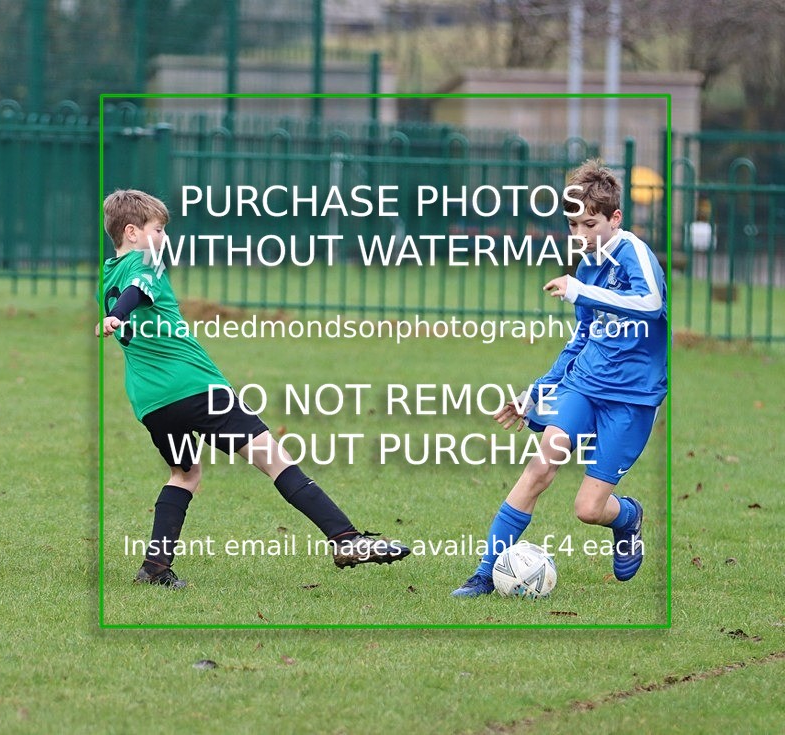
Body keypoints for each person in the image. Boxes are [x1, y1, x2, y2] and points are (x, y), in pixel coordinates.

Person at [97, 189, 410, 588]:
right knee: (274, 460)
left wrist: (112, 316)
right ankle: (346, 539)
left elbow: (126, 297)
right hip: (196, 389)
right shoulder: (146, 261)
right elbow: (138, 290)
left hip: (151, 402)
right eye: (159, 229)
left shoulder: (107, 276)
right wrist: (118, 315)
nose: (165, 238)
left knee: (185, 474)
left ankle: (155, 568)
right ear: (132, 232)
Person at [452, 159, 667, 597]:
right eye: (573, 226)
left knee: (588, 509)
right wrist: (535, 393)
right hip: (585, 384)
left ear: (615, 218)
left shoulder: (633, 254)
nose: (581, 236)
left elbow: (651, 303)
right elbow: (580, 340)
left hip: (632, 398)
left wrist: (578, 289)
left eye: (590, 224)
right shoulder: (587, 267)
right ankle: (485, 572)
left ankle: (626, 516)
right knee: (541, 464)